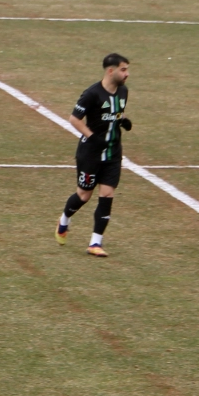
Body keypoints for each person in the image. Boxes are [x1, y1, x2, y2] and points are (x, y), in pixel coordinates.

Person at [58, 53, 132, 257]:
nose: (127, 74)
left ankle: (95, 243)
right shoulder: (92, 94)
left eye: (127, 70)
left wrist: (123, 120)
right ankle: (64, 220)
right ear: (111, 71)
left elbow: (115, 112)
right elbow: (74, 119)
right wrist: (92, 137)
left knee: (107, 195)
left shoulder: (123, 91)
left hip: (113, 152)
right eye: (123, 69)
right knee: (84, 195)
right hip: (90, 154)